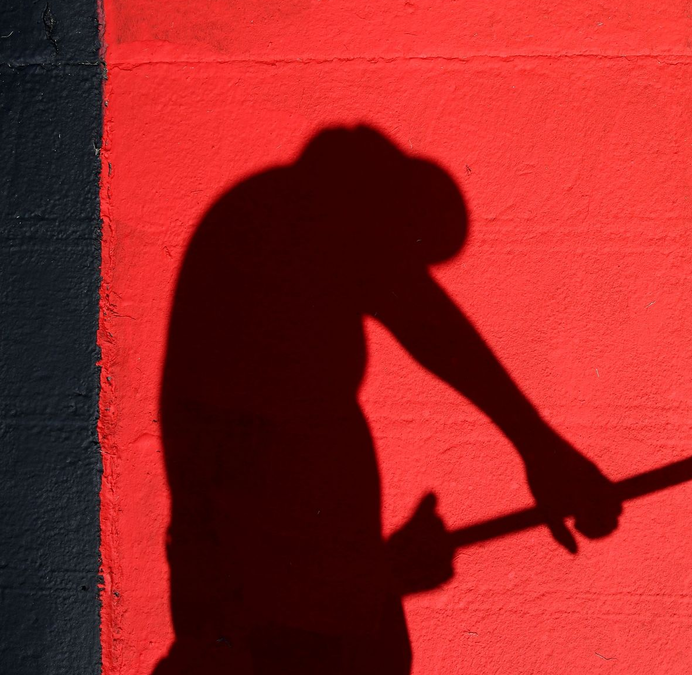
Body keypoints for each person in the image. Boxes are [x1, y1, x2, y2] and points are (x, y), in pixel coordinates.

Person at [156, 126, 621, 674]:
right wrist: (539, 449)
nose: (403, 271)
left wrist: (378, 574)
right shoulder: (295, 220)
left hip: (296, 610)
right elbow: (429, 324)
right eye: (405, 251)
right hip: (277, 623)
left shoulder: (283, 234)